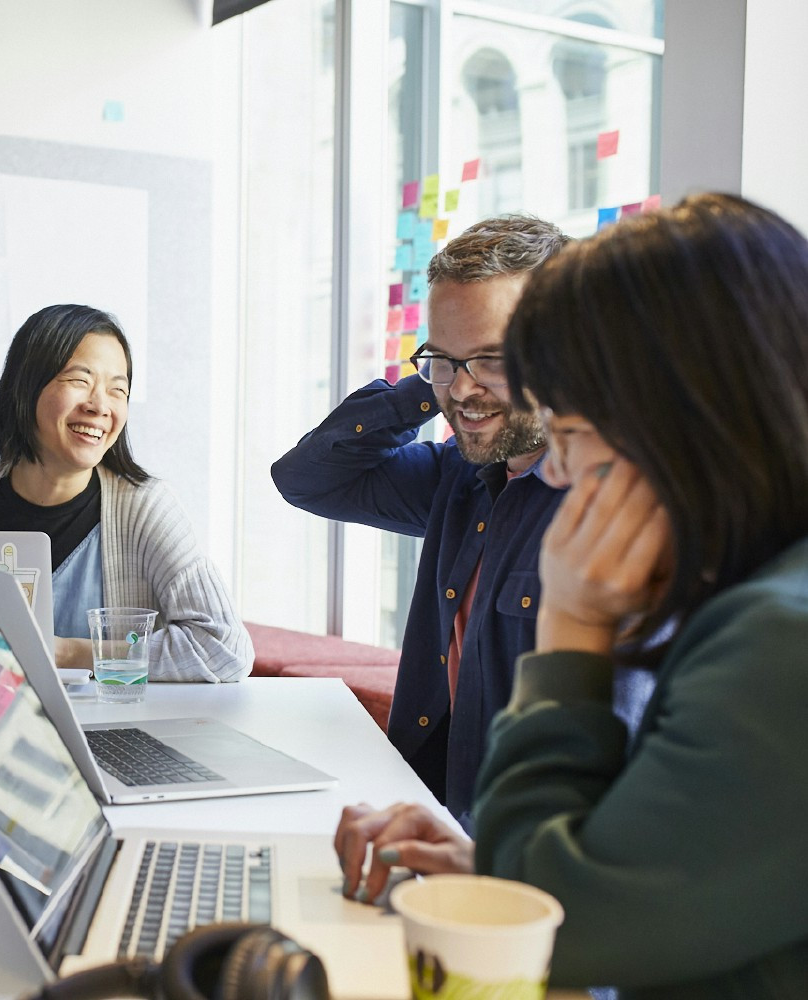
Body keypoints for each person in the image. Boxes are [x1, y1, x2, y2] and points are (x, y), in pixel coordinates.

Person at [337, 193, 808, 996]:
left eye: (574, 433)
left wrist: (573, 629)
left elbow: (558, 924)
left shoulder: (776, 642)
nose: (555, 470)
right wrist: (492, 861)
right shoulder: (758, 593)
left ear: (683, 421)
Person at [271, 216, 570, 826]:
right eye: (442, 358)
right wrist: (424, 390)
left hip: (528, 865)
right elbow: (306, 479)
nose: (462, 390)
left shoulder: (610, 510)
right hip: (431, 825)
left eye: (490, 358)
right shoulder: (459, 478)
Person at [0, 303, 251, 682]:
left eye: (118, 389)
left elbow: (225, 648)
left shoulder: (146, 508)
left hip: (117, 733)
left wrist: (67, 652)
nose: (100, 406)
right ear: (25, 387)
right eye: (80, 381)